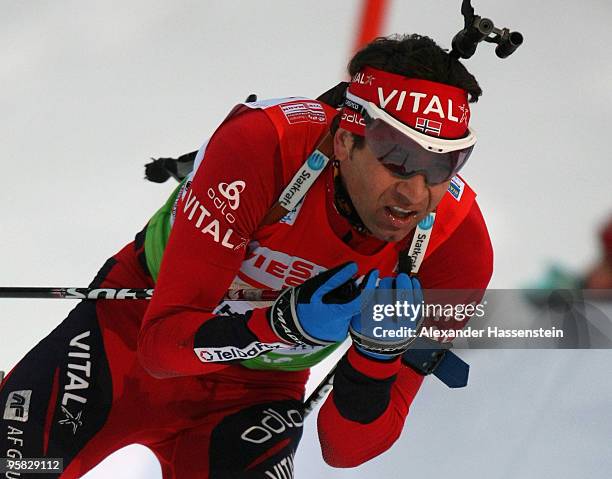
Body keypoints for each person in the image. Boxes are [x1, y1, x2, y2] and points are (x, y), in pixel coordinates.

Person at [0, 34, 492, 478]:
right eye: (399, 159)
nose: (415, 192)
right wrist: (279, 326)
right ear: (345, 140)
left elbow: (346, 450)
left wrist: (376, 360)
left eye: (443, 165)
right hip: (127, 335)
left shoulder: (456, 250)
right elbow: (160, 347)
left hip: (257, 397)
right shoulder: (265, 147)